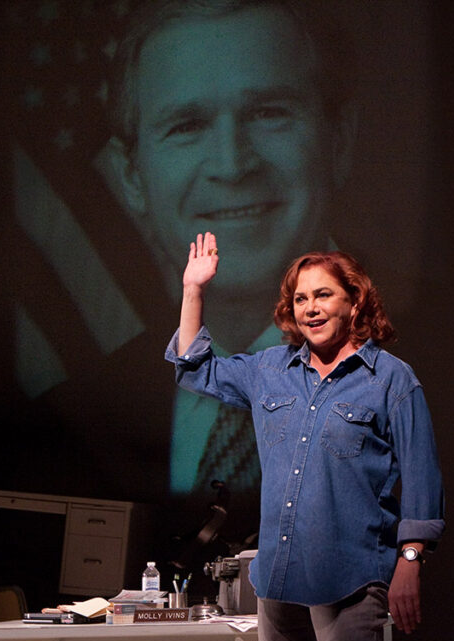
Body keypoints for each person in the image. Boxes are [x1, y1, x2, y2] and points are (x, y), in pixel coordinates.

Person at [94, 0, 359, 496]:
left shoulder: (448, 370)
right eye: (187, 125)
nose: (233, 164)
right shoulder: (87, 408)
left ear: (338, 141)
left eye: (268, 113)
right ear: (131, 176)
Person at [166, 232, 444, 641]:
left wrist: (410, 562)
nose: (310, 307)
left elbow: (421, 479)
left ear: (354, 302)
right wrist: (194, 290)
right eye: (300, 298)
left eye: (323, 295)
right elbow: (194, 369)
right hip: (279, 576)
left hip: (352, 575)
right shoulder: (270, 370)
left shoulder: (391, 379)